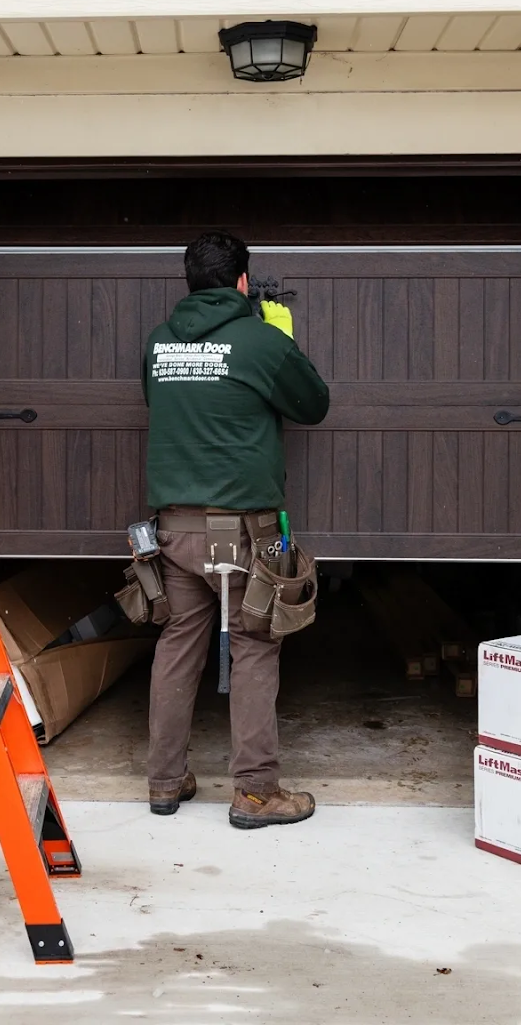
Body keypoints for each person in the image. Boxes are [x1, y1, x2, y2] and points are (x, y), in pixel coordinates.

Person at [141, 230, 330, 828]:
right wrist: (281, 339)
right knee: (253, 647)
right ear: (243, 282)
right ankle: (254, 793)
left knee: (176, 646)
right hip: (243, 531)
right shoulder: (260, 341)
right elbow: (313, 403)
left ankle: (165, 783)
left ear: (188, 282)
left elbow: (159, 401)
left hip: (174, 529)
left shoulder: (157, 344)